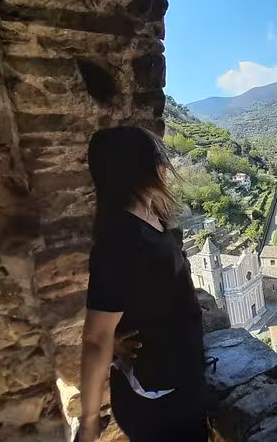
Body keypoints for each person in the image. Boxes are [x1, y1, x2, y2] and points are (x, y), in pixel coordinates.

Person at [78, 126, 207, 442]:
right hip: (158, 402)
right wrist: (89, 420)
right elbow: (96, 337)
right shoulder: (119, 241)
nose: (166, 166)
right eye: (158, 159)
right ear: (138, 171)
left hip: (179, 385)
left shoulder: (150, 217)